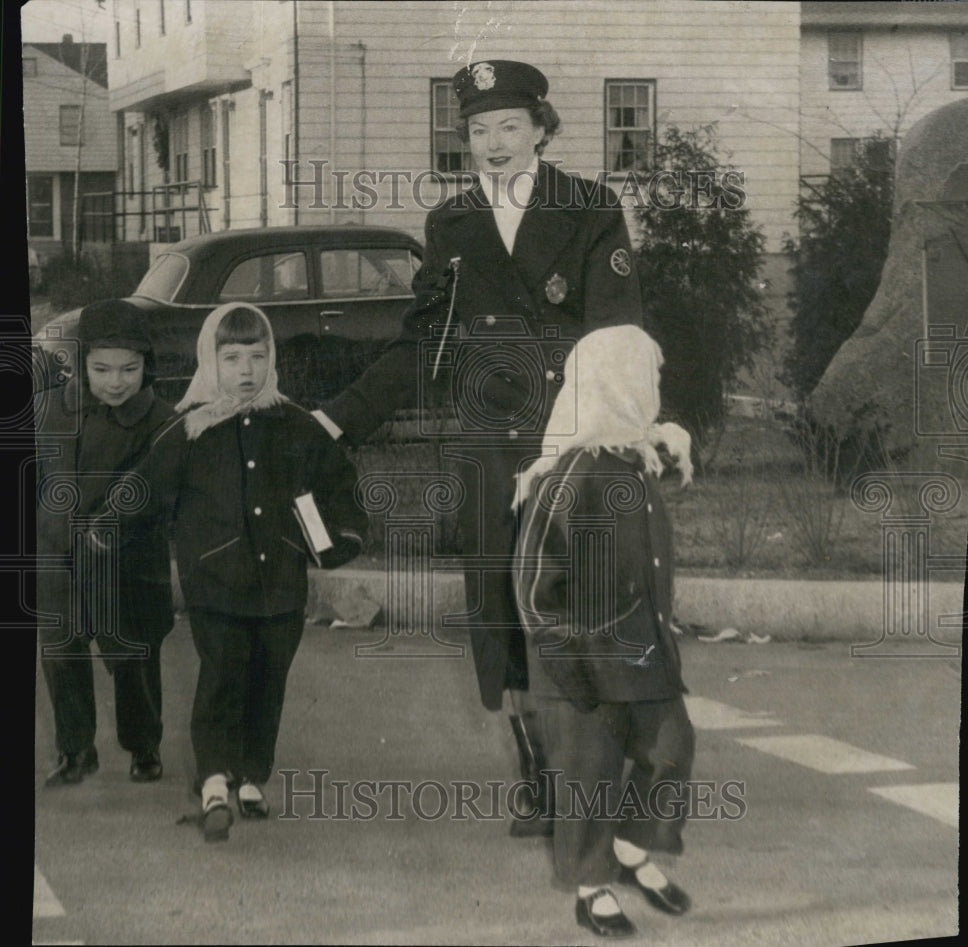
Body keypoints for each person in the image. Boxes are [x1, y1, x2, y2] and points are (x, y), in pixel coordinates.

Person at [318, 59, 644, 834]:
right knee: (499, 606)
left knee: (575, 602)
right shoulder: (452, 225)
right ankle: (540, 777)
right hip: (487, 445)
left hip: (570, 439)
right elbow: (420, 341)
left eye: (508, 126)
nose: (493, 144)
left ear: (540, 128)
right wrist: (337, 417)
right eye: (477, 130)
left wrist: (613, 434)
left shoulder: (591, 208)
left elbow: (620, 333)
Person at [114, 302, 367, 842]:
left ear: (271, 358)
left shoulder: (294, 424)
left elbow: (338, 482)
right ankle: (212, 781)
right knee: (223, 672)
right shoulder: (189, 431)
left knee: (268, 676)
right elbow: (143, 492)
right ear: (210, 360)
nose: (246, 371)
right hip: (215, 581)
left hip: (280, 581)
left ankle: (252, 775)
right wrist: (110, 533)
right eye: (231, 358)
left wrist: (342, 536)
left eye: (257, 356)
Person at [511, 325, 696, 938]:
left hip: (642, 653)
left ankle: (631, 847)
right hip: (580, 666)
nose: (656, 391)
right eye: (649, 378)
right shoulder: (570, 475)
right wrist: (568, 666)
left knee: (671, 745)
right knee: (587, 775)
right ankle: (592, 885)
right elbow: (534, 586)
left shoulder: (634, 461)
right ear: (617, 384)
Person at [36, 299, 175, 787]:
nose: (116, 382)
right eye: (101, 369)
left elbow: (156, 487)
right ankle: (75, 751)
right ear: (79, 362)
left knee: (133, 657)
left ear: (146, 365)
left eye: (129, 369)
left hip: (125, 564)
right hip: (56, 558)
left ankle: (143, 746)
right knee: (61, 655)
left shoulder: (160, 418)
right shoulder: (50, 407)